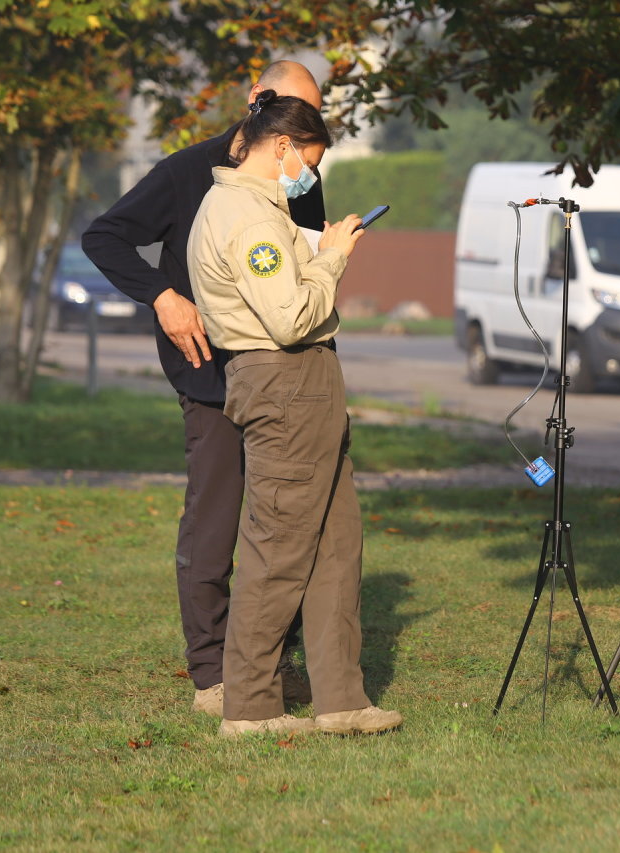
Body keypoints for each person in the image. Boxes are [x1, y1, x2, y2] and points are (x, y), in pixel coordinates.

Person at [81, 61, 322, 716]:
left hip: (285, 375)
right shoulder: (188, 172)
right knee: (216, 518)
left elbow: (301, 275)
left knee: (288, 525)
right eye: (292, 113)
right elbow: (103, 236)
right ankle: (213, 674)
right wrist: (162, 295)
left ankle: (270, 663)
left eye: (313, 120)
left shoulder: (304, 178)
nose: (300, 135)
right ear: (255, 102)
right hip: (211, 372)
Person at [188, 89, 401, 738]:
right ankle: (250, 705)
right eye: (309, 159)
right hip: (284, 381)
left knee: (337, 545)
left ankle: (340, 698)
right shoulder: (249, 217)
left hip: (298, 382)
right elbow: (288, 317)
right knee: (277, 547)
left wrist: (315, 258)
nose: (310, 175)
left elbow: (282, 296)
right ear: (280, 146)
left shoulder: (246, 207)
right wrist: (333, 258)